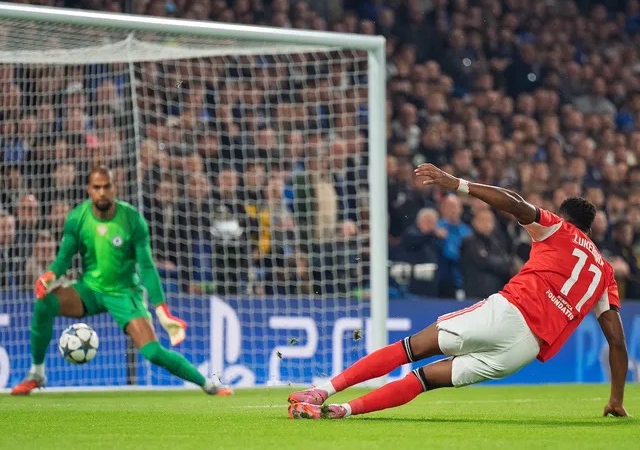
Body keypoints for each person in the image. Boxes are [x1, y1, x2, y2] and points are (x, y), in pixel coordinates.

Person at [288, 163, 629, 419]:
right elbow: (616, 341)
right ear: (589, 230)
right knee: (425, 379)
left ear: (564, 218)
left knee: (410, 348)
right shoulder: (605, 273)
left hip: (509, 313)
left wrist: (459, 184)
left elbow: (515, 202)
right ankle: (344, 411)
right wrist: (615, 399)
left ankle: (322, 392)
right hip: (524, 350)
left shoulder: (558, 229)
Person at [11, 165, 233, 396]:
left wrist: (162, 311)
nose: (102, 192)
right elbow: (63, 259)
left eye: (107, 186)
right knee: (44, 304)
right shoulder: (77, 218)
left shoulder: (131, 219)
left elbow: (146, 267)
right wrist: (48, 276)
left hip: (124, 293)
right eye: (97, 187)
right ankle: (36, 374)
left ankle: (208, 384)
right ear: (89, 189)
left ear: (114, 188)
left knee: (153, 353)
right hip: (89, 289)